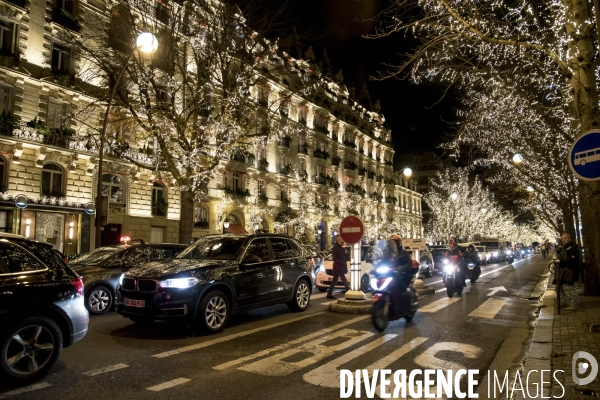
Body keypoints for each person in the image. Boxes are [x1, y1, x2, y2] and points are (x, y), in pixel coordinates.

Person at [556, 233, 580, 310]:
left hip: (571, 270)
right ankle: (564, 301)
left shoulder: (572, 248)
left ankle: (574, 304)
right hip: (565, 270)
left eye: (565, 238)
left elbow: (571, 260)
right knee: (558, 285)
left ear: (569, 238)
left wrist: (560, 261)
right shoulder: (564, 247)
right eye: (562, 238)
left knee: (571, 287)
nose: (563, 240)